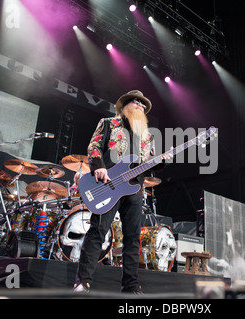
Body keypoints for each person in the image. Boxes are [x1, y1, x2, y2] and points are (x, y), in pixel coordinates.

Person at [74, 90, 168, 294]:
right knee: (98, 231)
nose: (140, 106)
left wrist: (161, 160)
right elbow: (94, 147)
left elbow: (147, 163)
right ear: (125, 105)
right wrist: (98, 166)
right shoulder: (109, 123)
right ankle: (83, 282)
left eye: (143, 105)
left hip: (134, 188)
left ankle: (131, 286)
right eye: (137, 102)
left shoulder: (147, 136)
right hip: (107, 184)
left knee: (133, 237)